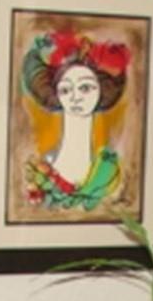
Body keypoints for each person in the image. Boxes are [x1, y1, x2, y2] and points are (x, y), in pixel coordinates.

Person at [20, 31, 131, 212]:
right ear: (56, 95)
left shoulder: (108, 173)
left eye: (85, 88)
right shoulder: (41, 171)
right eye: (65, 90)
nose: (75, 98)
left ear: (101, 91)